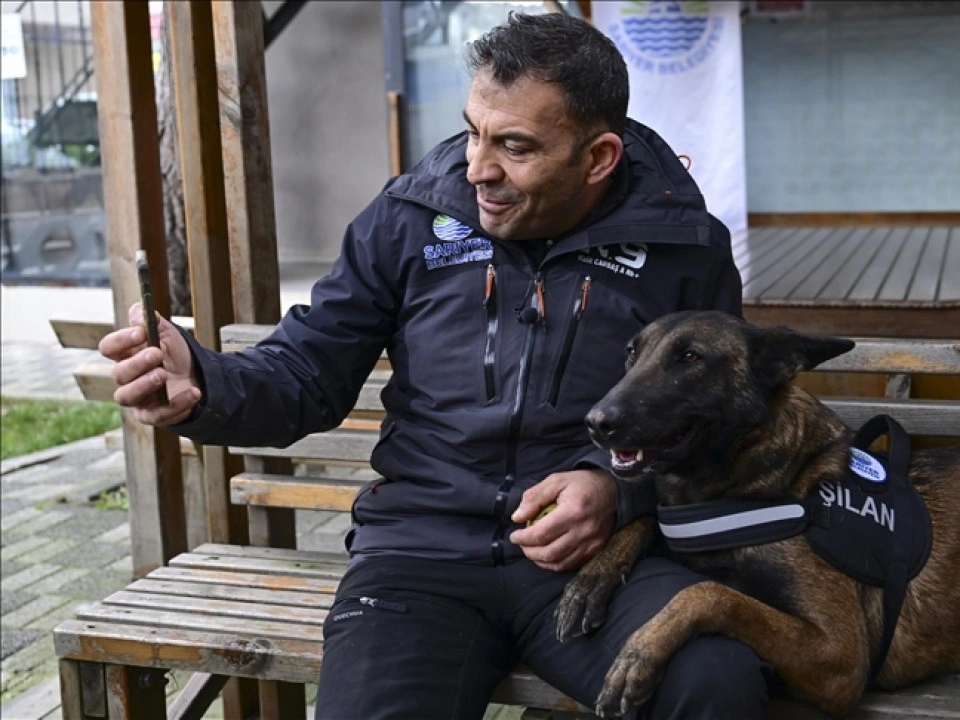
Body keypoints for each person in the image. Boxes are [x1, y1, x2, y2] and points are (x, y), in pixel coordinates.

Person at [100, 11, 779, 720]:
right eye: (474, 131)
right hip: (419, 559)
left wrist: (613, 487)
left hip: (597, 566)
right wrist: (203, 384)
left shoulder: (683, 246)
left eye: (515, 146)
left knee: (714, 682)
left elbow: (717, 427)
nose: (478, 168)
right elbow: (305, 372)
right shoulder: (407, 218)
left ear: (599, 158)